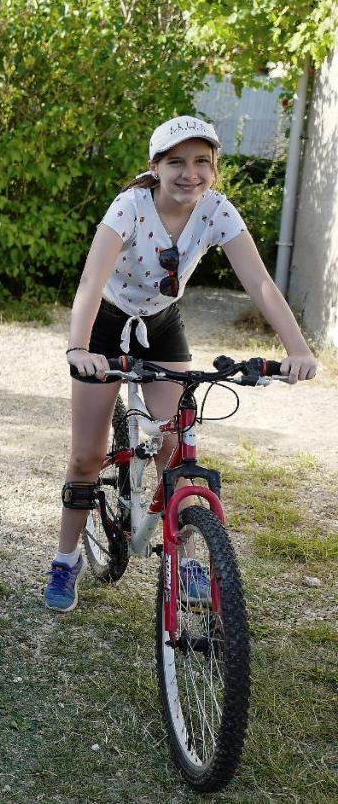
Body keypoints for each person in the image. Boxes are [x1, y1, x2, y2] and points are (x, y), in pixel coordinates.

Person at [45, 115, 321, 612]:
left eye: (201, 162)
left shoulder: (217, 210)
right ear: (155, 167)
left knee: (179, 442)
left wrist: (298, 349)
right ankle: (66, 559)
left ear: (213, 169)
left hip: (162, 321)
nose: (189, 173)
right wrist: (78, 348)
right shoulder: (129, 206)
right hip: (107, 322)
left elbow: (259, 282)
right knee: (86, 456)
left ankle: (186, 553)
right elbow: (90, 282)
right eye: (176, 162)